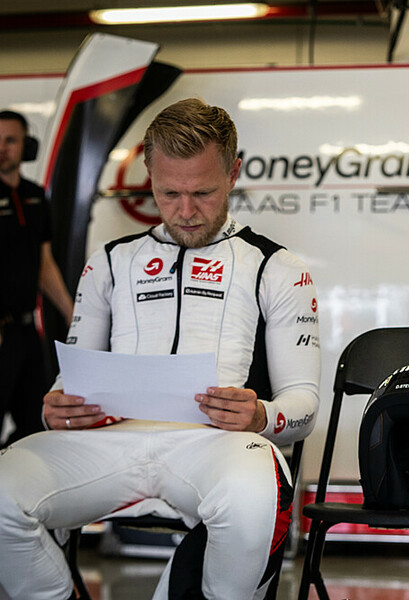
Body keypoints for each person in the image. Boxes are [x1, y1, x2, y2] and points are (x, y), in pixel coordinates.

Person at [0, 98, 320, 600]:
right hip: (108, 443)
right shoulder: (110, 262)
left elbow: (303, 405)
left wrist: (262, 414)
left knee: (258, 497)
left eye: (203, 192)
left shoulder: (278, 268)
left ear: (233, 174)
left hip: (217, 447)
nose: (186, 212)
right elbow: (68, 383)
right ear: (149, 175)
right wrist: (56, 407)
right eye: (169, 193)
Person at [0, 109, 74, 447]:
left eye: (10, 140)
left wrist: (73, 314)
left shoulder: (35, 195)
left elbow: (44, 265)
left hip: (28, 332)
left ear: (27, 146)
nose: (2, 149)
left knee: (35, 423)